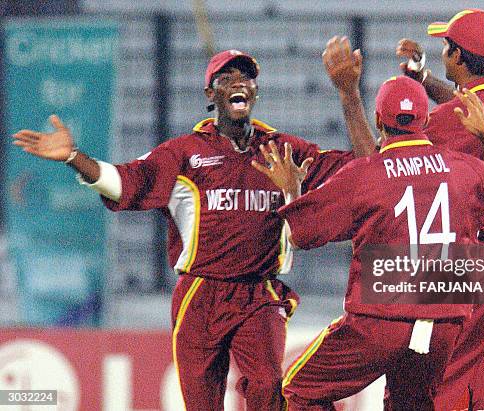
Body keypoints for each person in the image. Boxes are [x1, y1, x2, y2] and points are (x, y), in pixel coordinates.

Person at [11, 49, 368, 411]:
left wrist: (348, 94)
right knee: (201, 403)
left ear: (256, 92)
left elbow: (365, 167)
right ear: (210, 96)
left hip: (259, 292)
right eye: (225, 79)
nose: (238, 83)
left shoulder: (282, 150)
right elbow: (126, 183)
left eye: (245, 78)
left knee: (268, 387)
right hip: (201, 293)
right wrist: (75, 157)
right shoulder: (184, 153)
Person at [320, 11, 484, 410]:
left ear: (458, 57)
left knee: (436, 385)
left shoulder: (450, 125)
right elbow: (468, 109)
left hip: (476, 265)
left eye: (446, 47)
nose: (442, 53)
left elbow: (383, 168)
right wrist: (425, 78)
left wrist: (349, 95)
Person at [252, 75, 484, 411]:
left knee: (299, 390)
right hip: (443, 324)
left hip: (380, 320)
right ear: (427, 120)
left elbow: (303, 234)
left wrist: (291, 189)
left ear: (378, 120)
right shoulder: (465, 169)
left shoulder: (365, 174)